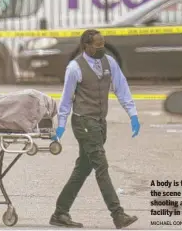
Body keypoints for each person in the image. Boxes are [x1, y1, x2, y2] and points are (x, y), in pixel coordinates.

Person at [49, 29, 140, 229]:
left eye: (102, 45)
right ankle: (118, 214)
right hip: (84, 123)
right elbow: (66, 99)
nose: (101, 49)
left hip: (99, 123)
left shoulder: (109, 62)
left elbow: (121, 87)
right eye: (96, 46)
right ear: (85, 46)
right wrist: (61, 125)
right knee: (101, 167)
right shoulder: (74, 68)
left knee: (83, 169)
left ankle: (60, 213)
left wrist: (132, 114)